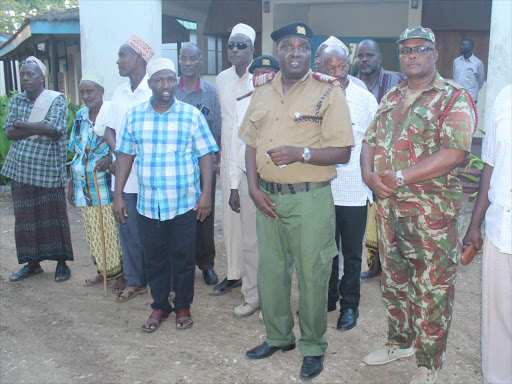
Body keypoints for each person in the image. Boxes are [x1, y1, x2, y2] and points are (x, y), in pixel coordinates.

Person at [360, 27, 476, 384]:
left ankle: (429, 365)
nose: (412, 55)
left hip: (431, 217)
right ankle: (400, 341)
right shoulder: (391, 96)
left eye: (420, 49)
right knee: (393, 283)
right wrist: (367, 173)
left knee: (432, 289)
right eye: (406, 50)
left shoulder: (452, 97)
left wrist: (397, 178)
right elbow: (369, 139)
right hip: (389, 212)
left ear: (434, 54)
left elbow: (454, 153)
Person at [240, 22, 353, 380]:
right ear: (279, 52)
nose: (294, 52)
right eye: (287, 46)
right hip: (267, 199)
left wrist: (301, 152)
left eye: (302, 47)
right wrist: (254, 189)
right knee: (270, 274)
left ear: (310, 54)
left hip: (310, 201)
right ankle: (278, 337)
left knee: (313, 275)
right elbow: (251, 144)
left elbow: (343, 152)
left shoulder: (328, 92)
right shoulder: (262, 91)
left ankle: (314, 346)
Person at [113, 58, 218, 332]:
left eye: (171, 79)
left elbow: (206, 156)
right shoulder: (135, 116)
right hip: (149, 205)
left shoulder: (190, 115)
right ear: (150, 84)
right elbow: (124, 156)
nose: (166, 86)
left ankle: (183, 306)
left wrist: (206, 195)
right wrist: (118, 195)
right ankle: (159, 306)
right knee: (155, 258)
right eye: (159, 80)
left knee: (183, 257)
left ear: (176, 82)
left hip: (184, 202)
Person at [318, 46, 378, 328]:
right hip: (321, 188)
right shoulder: (314, 95)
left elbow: (375, 142)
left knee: (352, 253)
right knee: (325, 249)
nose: (337, 74)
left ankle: (349, 306)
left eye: (342, 67)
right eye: (330, 68)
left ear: (349, 66)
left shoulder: (364, 99)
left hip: (353, 188)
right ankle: (328, 298)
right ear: (320, 67)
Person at [2, 56, 73, 283]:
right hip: (20, 170)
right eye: (23, 74)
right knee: (25, 219)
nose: (25, 78)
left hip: (47, 169)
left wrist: (21, 125)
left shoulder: (56, 100)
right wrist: (36, 128)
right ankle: (32, 264)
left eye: (30, 74)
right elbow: (8, 133)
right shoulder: (17, 101)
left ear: (42, 77)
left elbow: (55, 128)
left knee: (53, 216)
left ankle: (61, 263)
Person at [463, 84, 511, 384]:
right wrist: (474, 224)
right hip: (500, 227)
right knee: (499, 317)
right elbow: (490, 164)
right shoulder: (505, 96)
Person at [103, 35, 154, 300]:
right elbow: (110, 129)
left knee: (150, 231)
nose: (118, 61)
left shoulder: (154, 90)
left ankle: (152, 277)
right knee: (127, 229)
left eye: (123, 55)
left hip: (148, 175)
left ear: (139, 59)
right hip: (123, 177)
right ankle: (135, 279)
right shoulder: (118, 93)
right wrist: (119, 153)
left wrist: (128, 155)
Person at [228, 55, 279, 318]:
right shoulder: (242, 104)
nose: (263, 78)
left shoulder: (286, 102)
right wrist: (234, 186)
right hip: (251, 181)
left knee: (277, 246)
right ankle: (252, 296)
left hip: (279, 182)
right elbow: (237, 147)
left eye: (269, 73)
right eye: (257, 73)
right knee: (250, 242)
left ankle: (273, 300)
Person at [67, 71, 126, 293]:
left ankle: (121, 274)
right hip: (84, 185)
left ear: (101, 91)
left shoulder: (111, 112)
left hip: (106, 184)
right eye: (82, 92)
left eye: (90, 91)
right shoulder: (80, 116)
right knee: (93, 230)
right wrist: (71, 184)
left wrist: (110, 158)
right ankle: (103, 271)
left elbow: (123, 145)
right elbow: (75, 152)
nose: (85, 96)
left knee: (111, 230)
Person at [355, 38, 406, 282]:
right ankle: (375, 265)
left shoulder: (395, 81)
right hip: (362, 156)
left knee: (390, 212)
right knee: (369, 216)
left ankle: (393, 266)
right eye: (360, 56)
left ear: (379, 58)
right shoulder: (353, 83)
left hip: (391, 158)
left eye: (369, 55)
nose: (364, 60)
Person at [176, 42, 222, 286]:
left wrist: (216, 161)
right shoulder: (172, 90)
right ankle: (182, 264)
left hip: (204, 165)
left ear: (200, 60)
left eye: (194, 59)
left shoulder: (210, 93)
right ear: (179, 59)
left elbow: (216, 131)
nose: (189, 63)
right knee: (180, 215)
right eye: (185, 58)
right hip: (177, 167)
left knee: (205, 214)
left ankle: (206, 265)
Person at [214, 23, 255, 296]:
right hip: (229, 155)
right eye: (231, 45)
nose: (236, 50)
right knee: (230, 217)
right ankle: (233, 273)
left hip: (251, 156)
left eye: (241, 45)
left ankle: (254, 280)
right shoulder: (221, 79)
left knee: (251, 222)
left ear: (252, 48)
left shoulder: (262, 77)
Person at [453, 39, 485, 103]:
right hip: (457, 97)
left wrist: (474, 90)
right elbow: (455, 77)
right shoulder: (456, 61)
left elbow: (480, 81)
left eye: (463, 45)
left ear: (470, 47)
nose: (461, 47)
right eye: (461, 45)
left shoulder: (478, 63)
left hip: (470, 98)